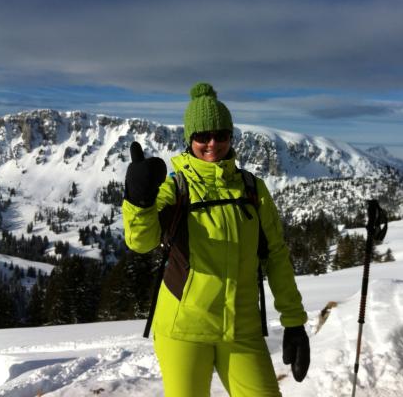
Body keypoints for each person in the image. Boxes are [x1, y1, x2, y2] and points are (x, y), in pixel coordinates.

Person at [122, 82, 310, 396]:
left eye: (221, 135)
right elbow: (141, 242)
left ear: (230, 136)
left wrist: (294, 320)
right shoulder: (176, 187)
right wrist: (139, 201)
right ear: (189, 138)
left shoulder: (252, 189)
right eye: (202, 136)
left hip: (242, 328)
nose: (213, 144)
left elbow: (276, 255)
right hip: (183, 329)